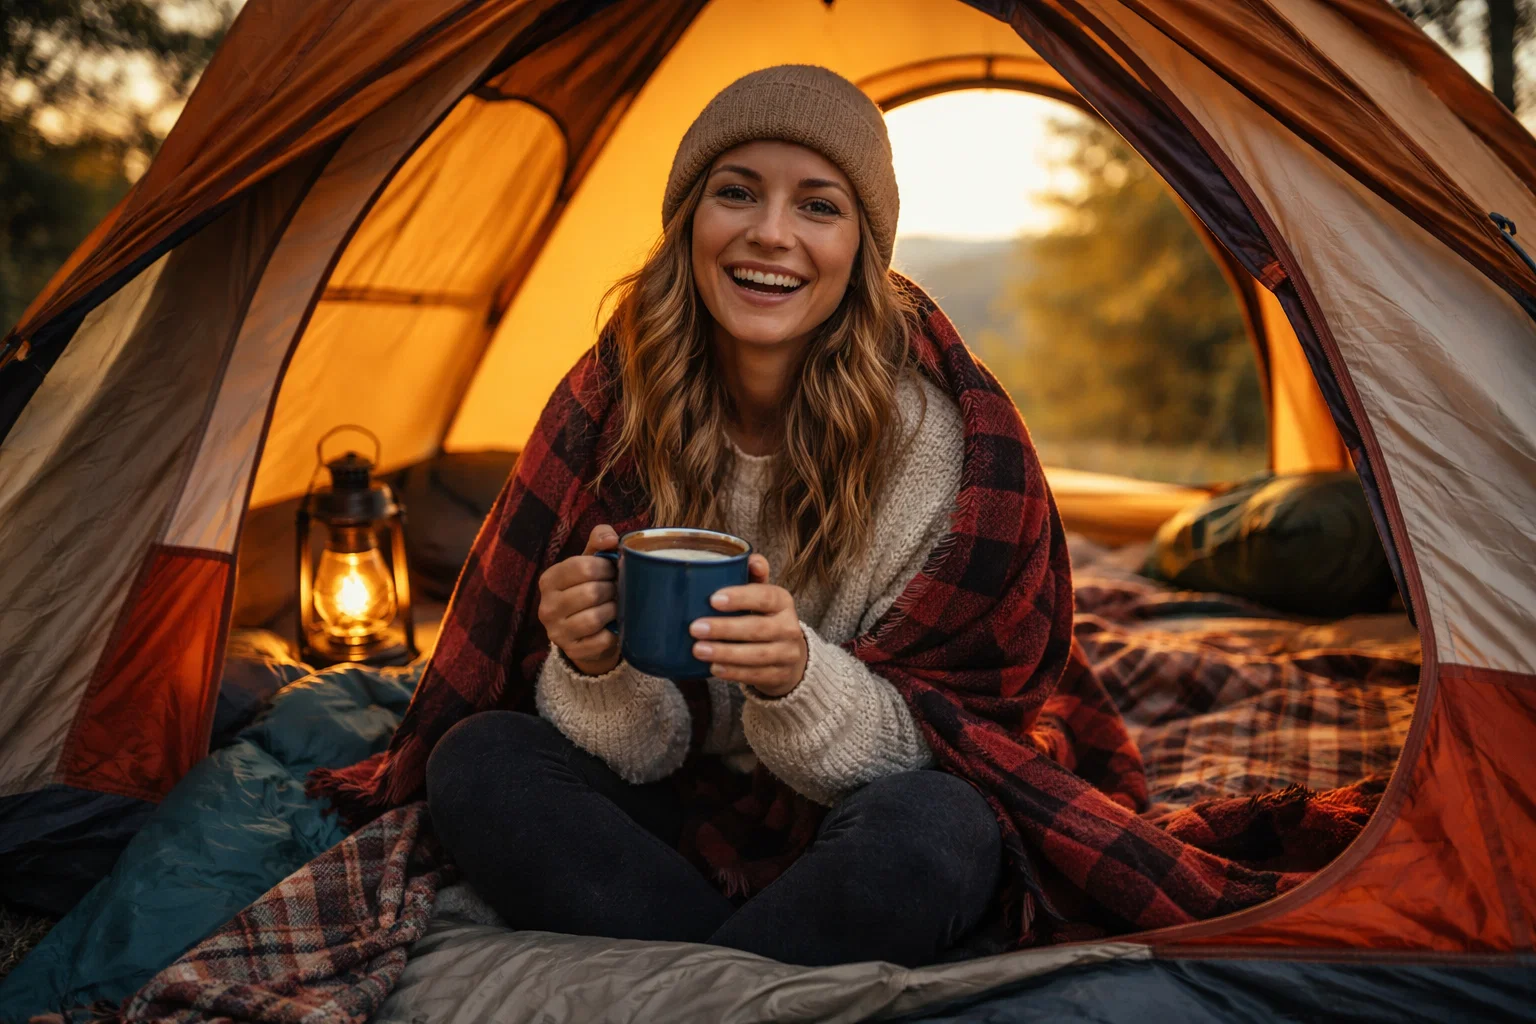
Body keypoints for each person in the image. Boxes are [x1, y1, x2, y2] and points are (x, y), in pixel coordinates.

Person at [425, 65, 1003, 968]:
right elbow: (640, 753)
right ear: (690, 219)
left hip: (843, 813)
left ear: (862, 248)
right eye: (737, 192)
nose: (770, 232)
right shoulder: (614, 408)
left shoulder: (926, 442)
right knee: (476, 758)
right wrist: (592, 663)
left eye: (819, 206)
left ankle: (683, 972)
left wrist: (796, 676)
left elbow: (923, 749)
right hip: (664, 798)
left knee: (944, 828)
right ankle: (750, 976)